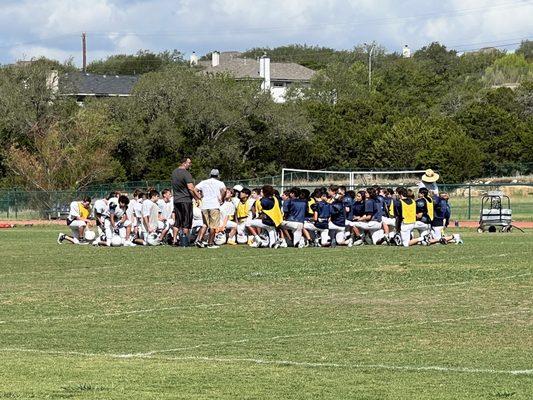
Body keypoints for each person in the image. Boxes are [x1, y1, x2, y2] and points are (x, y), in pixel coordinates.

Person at [171, 157, 202, 247]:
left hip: (176, 200)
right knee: (186, 221)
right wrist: (197, 197)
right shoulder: (186, 173)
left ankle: (174, 240)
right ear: (184, 163)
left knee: (178, 221)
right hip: (185, 200)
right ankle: (185, 241)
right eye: (189, 163)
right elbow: (191, 188)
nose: (190, 164)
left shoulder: (174, 172)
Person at [195, 169, 226, 249]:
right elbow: (224, 190)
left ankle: (199, 240)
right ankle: (210, 243)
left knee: (205, 224)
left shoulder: (203, 182)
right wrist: (222, 198)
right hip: (214, 205)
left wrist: (198, 197)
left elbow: (195, 189)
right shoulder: (220, 183)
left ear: (210, 174)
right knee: (213, 225)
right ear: (218, 175)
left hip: (204, 205)